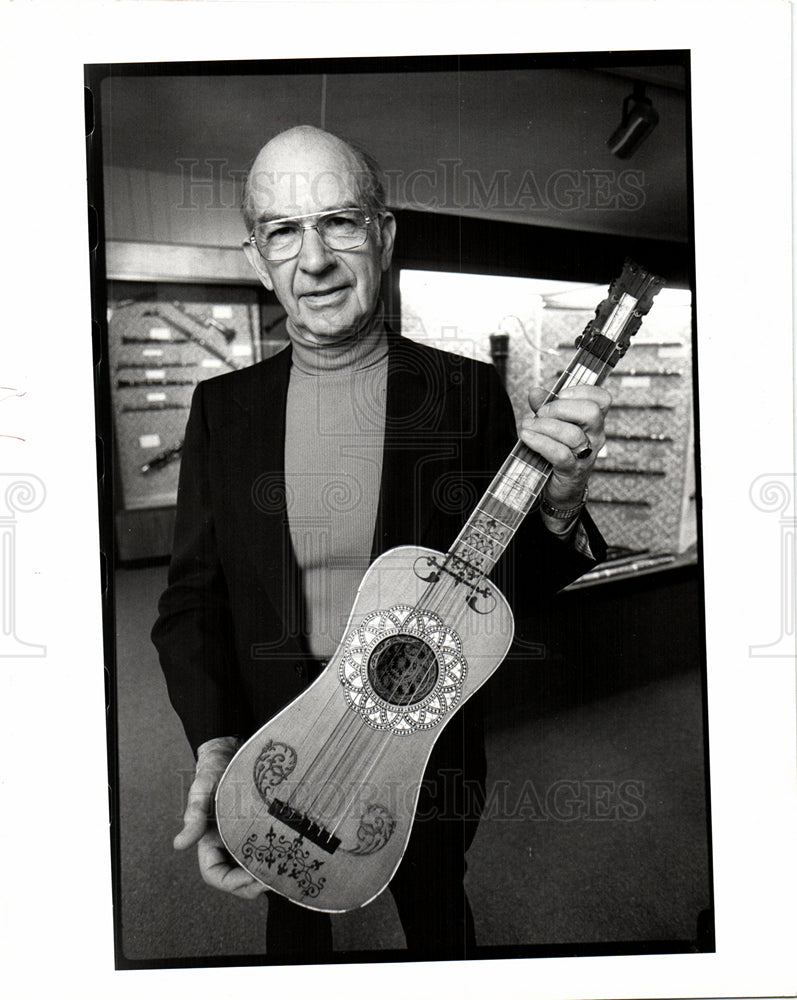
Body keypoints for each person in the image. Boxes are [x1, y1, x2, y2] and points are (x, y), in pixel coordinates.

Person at [152, 125, 610, 960]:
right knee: (293, 931)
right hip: (280, 746)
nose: (314, 259)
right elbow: (190, 601)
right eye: (283, 231)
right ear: (257, 258)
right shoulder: (223, 409)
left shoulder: (464, 393)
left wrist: (557, 510)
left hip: (423, 748)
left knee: (439, 919)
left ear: (384, 235)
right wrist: (217, 738)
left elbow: (503, 591)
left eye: (339, 222)